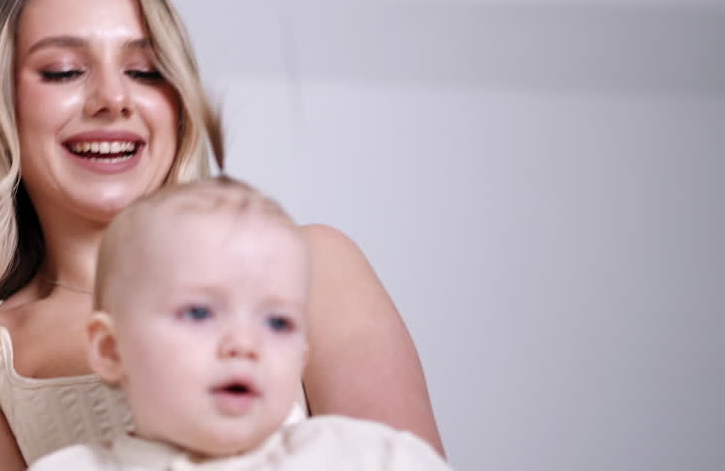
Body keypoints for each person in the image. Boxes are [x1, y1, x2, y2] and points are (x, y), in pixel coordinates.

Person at [0, 0, 444, 471]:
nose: (112, 99)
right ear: (1, 106)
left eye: (145, 71)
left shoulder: (315, 269)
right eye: (62, 71)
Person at [28, 176, 451, 471]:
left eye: (279, 323)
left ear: (301, 358)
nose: (245, 344)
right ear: (111, 350)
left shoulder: (368, 457)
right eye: (199, 313)